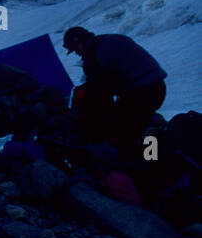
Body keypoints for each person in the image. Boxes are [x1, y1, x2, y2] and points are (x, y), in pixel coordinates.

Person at [63, 27, 167, 167]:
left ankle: (147, 163)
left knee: (121, 129)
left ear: (79, 43)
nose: (77, 53)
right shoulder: (109, 39)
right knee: (137, 120)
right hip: (158, 87)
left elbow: (101, 91)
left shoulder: (94, 55)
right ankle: (152, 151)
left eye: (75, 49)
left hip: (143, 92)